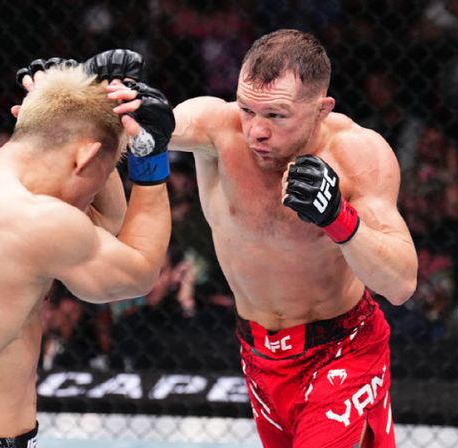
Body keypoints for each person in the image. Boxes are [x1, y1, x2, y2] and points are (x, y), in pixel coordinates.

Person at [26, 30, 418, 447]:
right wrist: (69, 92)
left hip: (343, 349)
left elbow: (401, 284)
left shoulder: (357, 155)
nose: (256, 131)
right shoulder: (217, 127)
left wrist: (338, 218)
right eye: (247, 109)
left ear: (322, 109)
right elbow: (144, 125)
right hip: (258, 353)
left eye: (277, 115)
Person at [0, 59, 174, 447]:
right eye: (101, 176)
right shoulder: (36, 221)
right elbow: (139, 274)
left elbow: (105, 223)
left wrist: (86, 103)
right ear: (84, 157)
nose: (94, 195)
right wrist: (150, 162)